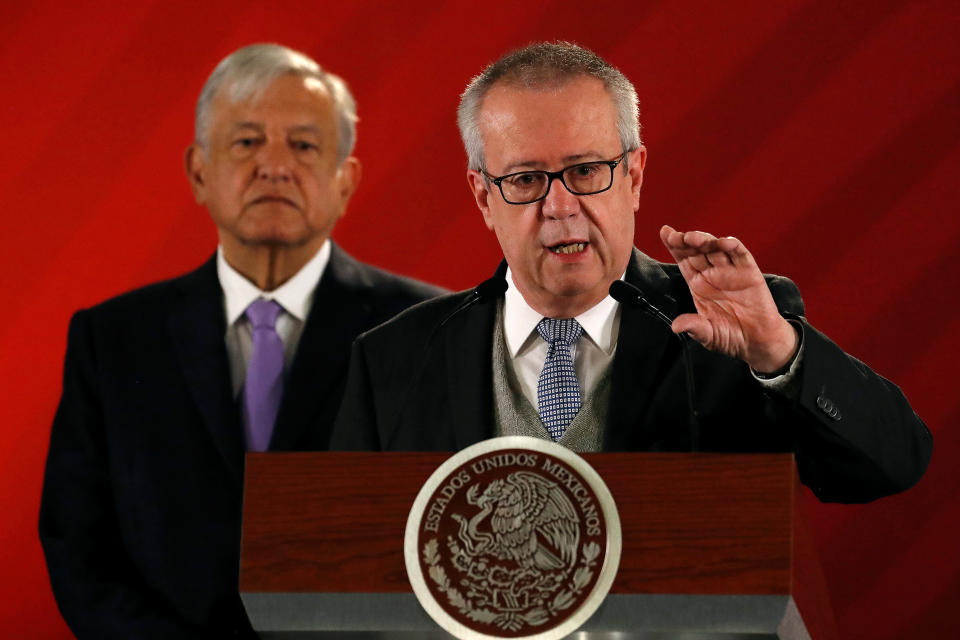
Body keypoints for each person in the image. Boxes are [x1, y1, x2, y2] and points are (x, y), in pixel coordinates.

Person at [330, 42, 931, 504]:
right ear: (483, 197)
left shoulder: (739, 328)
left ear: (635, 174)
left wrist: (778, 350)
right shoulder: (393, 359)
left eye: (586, 170)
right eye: (525, 180)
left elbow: (895, 464)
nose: (560, 207)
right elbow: (340, 570)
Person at [38, 44, 444, 638]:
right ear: (200, 172)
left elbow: (452, 543)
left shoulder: (428, 329)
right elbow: (78, 548)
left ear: (345, 181)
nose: (274, 166)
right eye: (247, 142)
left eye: (304, 146)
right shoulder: (114, 339)